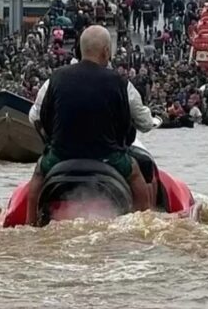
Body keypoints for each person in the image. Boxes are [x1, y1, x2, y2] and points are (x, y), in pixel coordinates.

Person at [25, 25, 151, 226]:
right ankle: (144, 224)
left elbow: (34, 117)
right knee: (136, 174)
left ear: (81, 49)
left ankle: (29, 226)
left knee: (39, 174)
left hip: (60, 156)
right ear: (106, 51)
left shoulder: (54, 79)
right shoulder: (121, 83)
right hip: (109, 157)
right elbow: (145, 123)